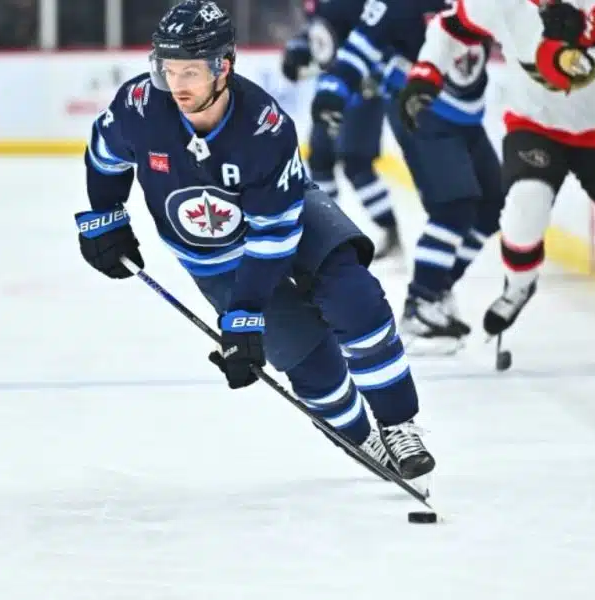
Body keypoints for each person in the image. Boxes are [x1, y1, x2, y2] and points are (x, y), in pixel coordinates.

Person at [74, 0, 434, 481]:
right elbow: (104, 154)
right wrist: (106, 216)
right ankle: (361, 438)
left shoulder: (264, 126)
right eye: (168, 70)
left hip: (286, 217)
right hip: (211, 253)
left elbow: (274, 234)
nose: (177, 85)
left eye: (190, 72)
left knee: (353, 297)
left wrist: (244, 313)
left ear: (222, 67)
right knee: (305, 359)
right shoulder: (139, 106)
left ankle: (397, 424)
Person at [398, 0, 595, 357]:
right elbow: (448, 28)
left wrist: (589, 31)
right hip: (534, 126)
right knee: (525, 205)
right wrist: (425, 75)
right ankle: (518, 285)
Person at [310, 0, 504, 354]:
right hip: (418, 107)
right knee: (453, 207)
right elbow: (361, 44)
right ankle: (420, 306)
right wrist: (332, 93)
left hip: (468, 113)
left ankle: (436, 288)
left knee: (493, 204)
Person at [280, 0, 398, 258]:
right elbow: (322, 32)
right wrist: (299, 49)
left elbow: (383, 31)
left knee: (356, 162)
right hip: (331, 89)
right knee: (320, 159)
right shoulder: (317, 4)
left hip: (362, 91)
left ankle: (390, 230)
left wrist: (378, 74)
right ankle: (327, 231)